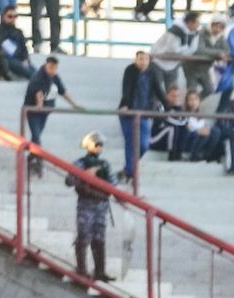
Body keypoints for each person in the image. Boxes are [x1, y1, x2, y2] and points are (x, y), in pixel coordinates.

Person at [66, 132, 114, 283]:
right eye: (98, 145)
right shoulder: (80, 163)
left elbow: (113, 183)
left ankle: (100, 270)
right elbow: (69, 181)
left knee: (99, 237)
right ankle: (81, 269)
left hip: (101, 204)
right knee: (84, 235)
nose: (100, 148)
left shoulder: (105, 164)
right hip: (86, 204)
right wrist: (84, 175)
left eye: (101, 145)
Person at [117, 51, 167, 183]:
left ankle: (128, 170)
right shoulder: (130, 70)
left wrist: (169, 107)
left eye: (146, 59)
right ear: (135, 60)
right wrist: (126, 104)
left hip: (145, 113)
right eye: (140, 59)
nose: (143, 61)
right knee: (131, 142)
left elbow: (159, 90)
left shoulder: (152, 72)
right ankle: (130, 173)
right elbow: (126, 88)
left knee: (144, 144)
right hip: (129, 112)